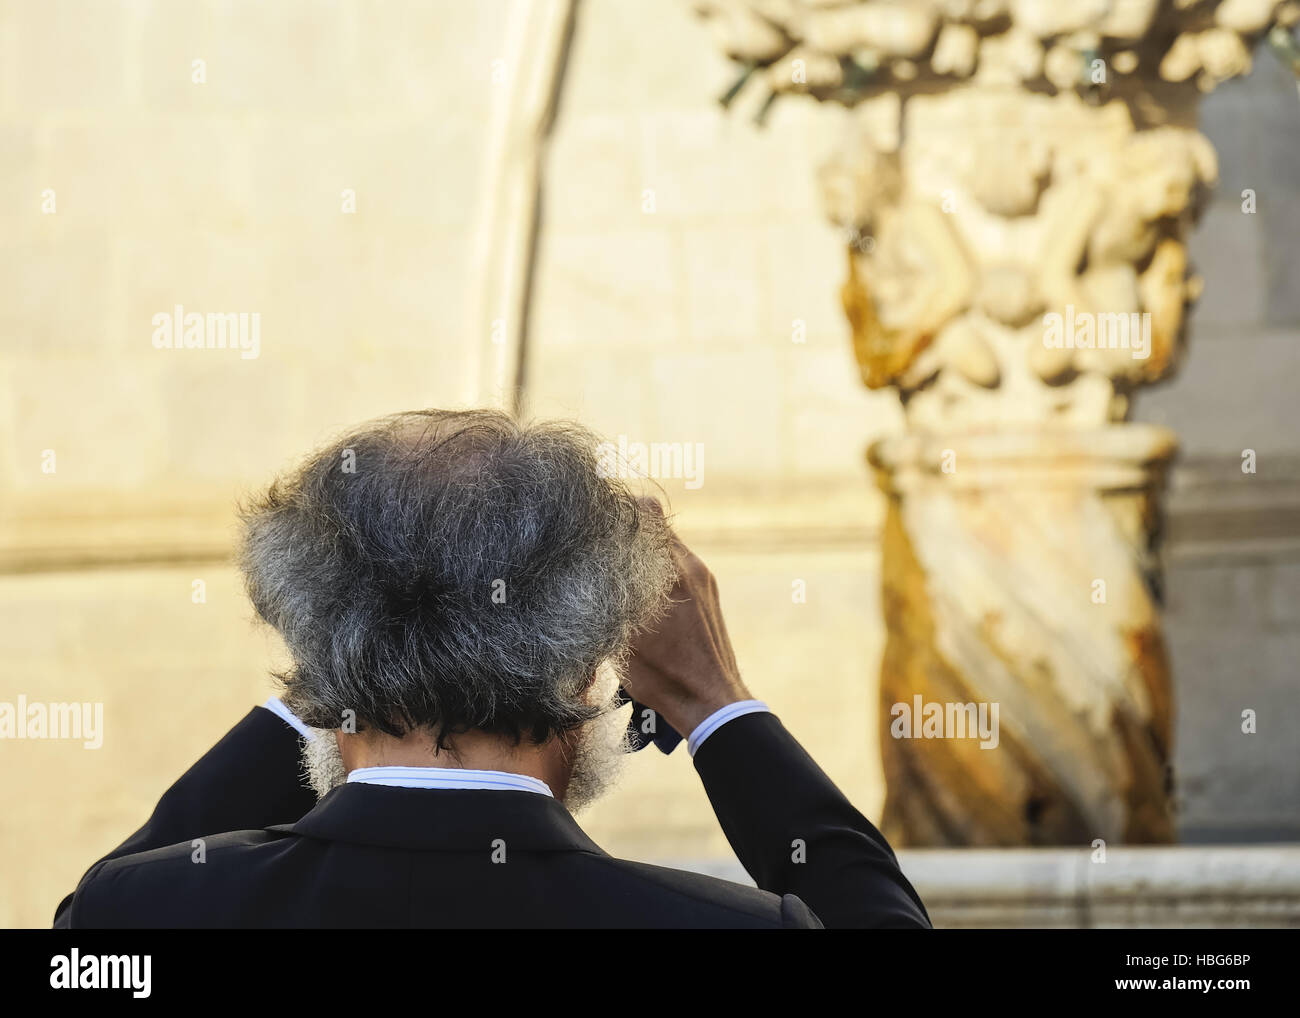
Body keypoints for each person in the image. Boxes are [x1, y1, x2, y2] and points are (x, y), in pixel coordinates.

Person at [54, 409, 929, 929]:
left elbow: (111, 900)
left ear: (314, 637)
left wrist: (338, 657)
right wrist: (718, 705)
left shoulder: (147, 913)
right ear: (593, 663)